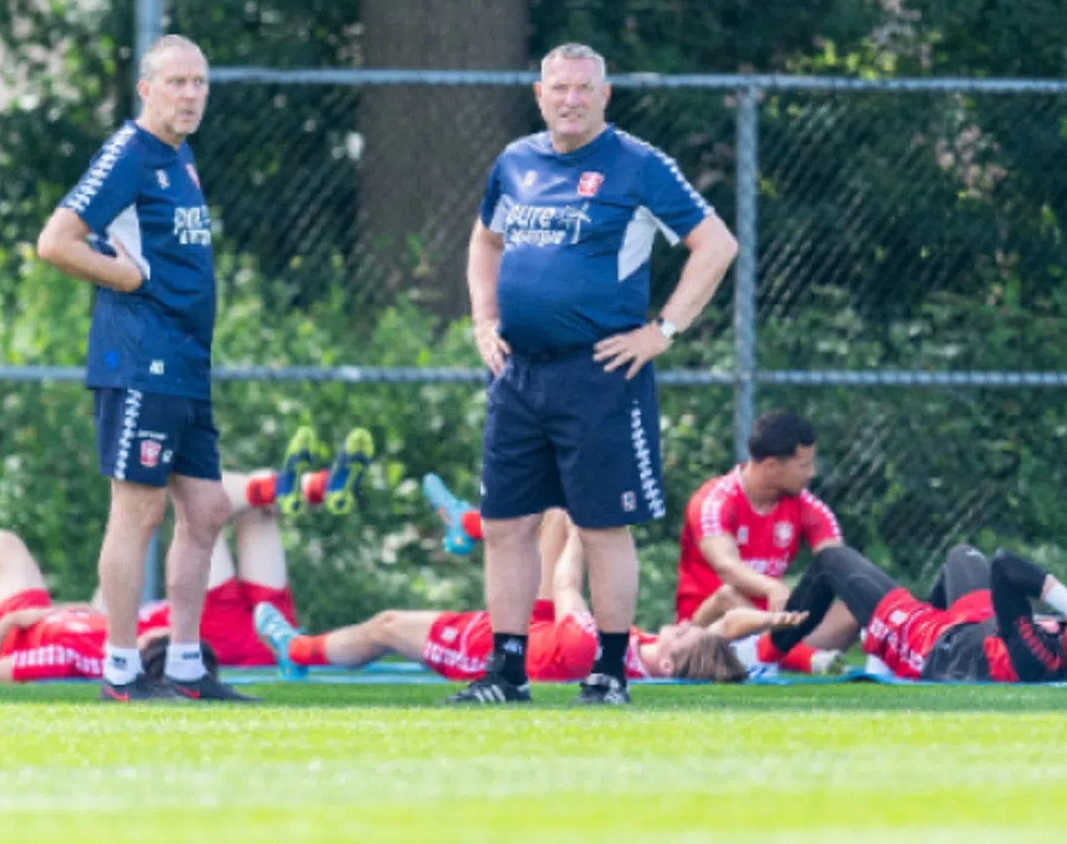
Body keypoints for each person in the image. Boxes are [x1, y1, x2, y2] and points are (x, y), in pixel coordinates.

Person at [464, 43, 739, 706]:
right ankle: (508, 673)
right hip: (519, 375)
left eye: (585, 89)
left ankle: (610, 672)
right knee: (505, 525)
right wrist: (483, 320)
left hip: (599, 375)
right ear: (540, 94)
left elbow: (717, 244)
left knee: (598, 525)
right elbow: (484, 241)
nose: (572, 100)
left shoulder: (637, 165)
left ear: (605, 95)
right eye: (560, 88)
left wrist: (661, 331)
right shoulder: (516, 162)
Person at [36, 34, 247, 702]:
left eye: (199, 83)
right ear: (146, 89)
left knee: (208, 509)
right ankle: (123, 672)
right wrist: (123, 280)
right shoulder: (128, 154)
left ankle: (184, 666)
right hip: (140, 360)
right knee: (139, 511)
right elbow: (56, 241)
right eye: (177, 82)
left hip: (186, 362)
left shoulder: (179, 161)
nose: (190, 95)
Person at [0, 434, 344, 683]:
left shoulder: (85, 655)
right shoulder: (128, 631)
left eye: (160, 636)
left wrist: (5, 623)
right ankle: (290, 487)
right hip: (38, 619)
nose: (161, 627)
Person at [255, 511, 798, 689]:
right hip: (540, 628)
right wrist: (773, 616)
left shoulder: (593, 645)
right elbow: (722, 631)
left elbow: (566, 585)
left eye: (682, 634)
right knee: (554, 506)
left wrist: (591, 539)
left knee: (385, 626)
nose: (678, 625)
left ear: (674, 660)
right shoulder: (661, 656)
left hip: (496, 645)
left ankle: (297, 652)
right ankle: (469, 523)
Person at [758, 542, 1067, 684]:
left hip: (933, 642)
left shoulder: (1038, 658)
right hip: (980, 623)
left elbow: (1006, 565)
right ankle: (879, 653)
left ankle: (762, 655)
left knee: (831, 560)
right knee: (962, 555)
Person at [676, 409, 843, 622]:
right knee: (729, 596)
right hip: (708, 632)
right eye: (804, 466)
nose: (812, 473)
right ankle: (795, 653)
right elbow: (726, 566)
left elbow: (837, 561)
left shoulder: (806, 506)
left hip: (772, 623)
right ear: (771, 465)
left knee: (847, 614)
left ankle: (782, 650)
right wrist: (771, 587)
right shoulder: (714, 501)